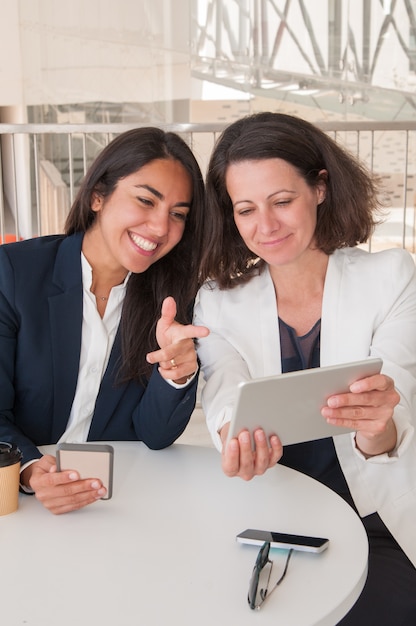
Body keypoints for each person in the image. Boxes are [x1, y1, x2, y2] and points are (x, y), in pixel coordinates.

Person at [194, 112, 416, 624]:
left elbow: (394, 418)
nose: (265, 226)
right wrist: (234, 437)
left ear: (319, 187)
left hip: (377, 515)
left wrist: (376, 426)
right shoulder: (217, 304)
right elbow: (226, 394)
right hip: (273, 516)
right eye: (245, 209)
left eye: (282, 201)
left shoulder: (391, 279)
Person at [0, 127, 209, 515]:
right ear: (98, 195)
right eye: (146, 200)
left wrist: (175, 374)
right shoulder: (14, 273)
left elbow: (155, 436)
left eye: (178, 214)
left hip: (114, 503)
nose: (161, 228)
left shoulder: (172, 301)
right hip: (18, 503)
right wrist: (31, 471)